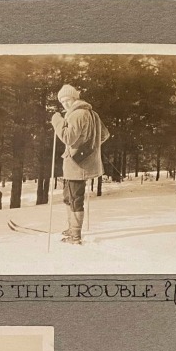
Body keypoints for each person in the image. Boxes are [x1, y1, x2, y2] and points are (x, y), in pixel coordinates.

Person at [50, 84, 110, 245]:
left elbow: (68, 138)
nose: (65, 104)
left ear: (75, 98)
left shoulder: (76, 114)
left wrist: (56, 121)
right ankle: (72, 229)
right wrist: (89, 147)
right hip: (83, 163)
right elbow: (104, 134)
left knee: (75, 198)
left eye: (67, 100)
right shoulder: (92, 113)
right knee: (69, 196)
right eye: (62, 102)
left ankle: (75, 235)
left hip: (76, 166)